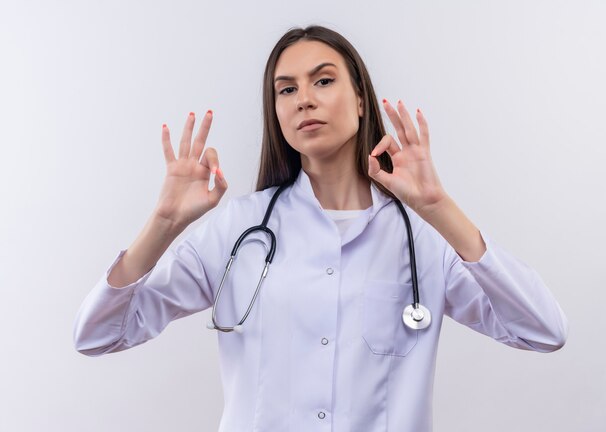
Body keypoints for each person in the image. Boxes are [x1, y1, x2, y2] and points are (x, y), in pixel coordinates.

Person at [73, 25, 568, 431]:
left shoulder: (424, 241)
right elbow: (97, 336)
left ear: (359, 100)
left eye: (323, 81)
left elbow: (543, 331)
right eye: (286, 89)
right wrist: (162, 225)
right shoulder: (239, 230)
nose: (303, 99)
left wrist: (439, 208)